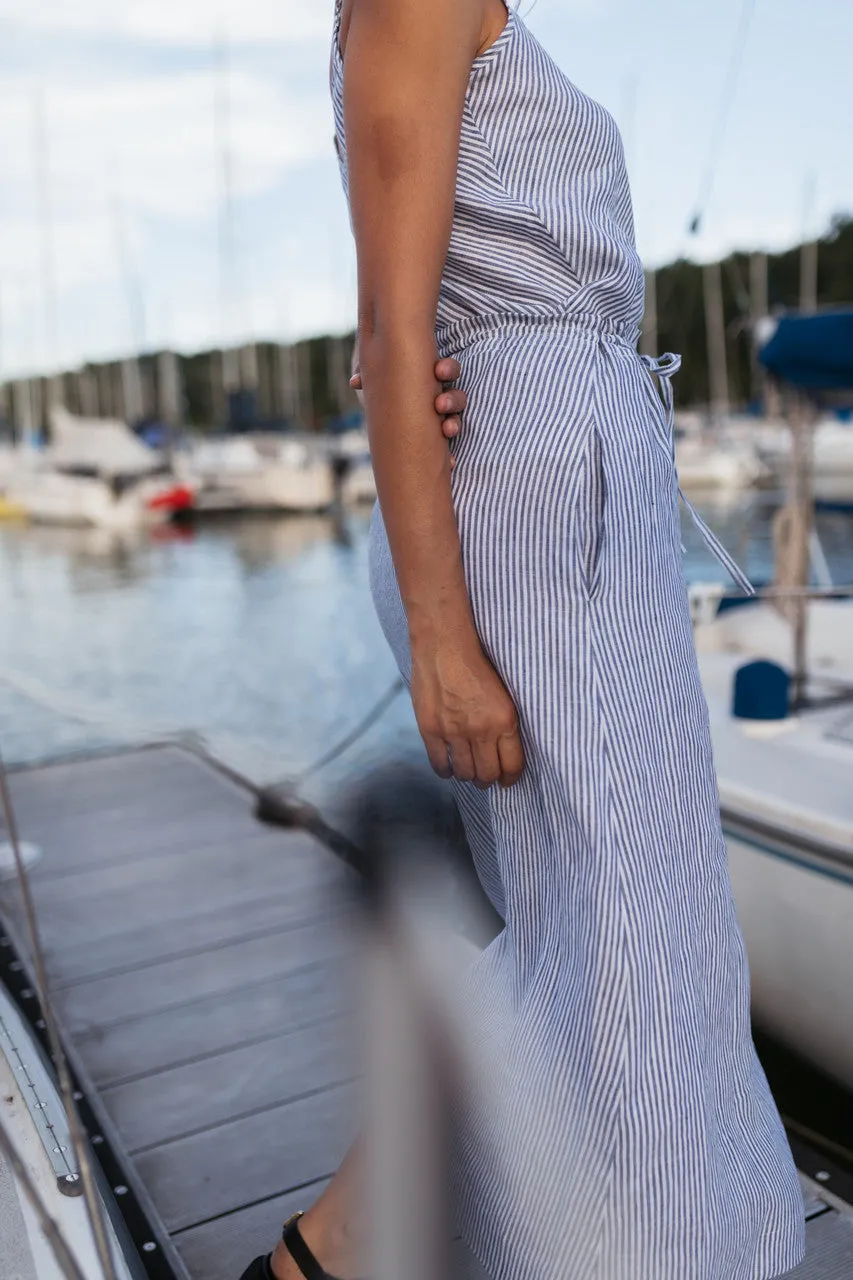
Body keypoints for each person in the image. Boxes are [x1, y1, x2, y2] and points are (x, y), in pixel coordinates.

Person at [240, 1, 807, 1277]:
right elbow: (393, 320)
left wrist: (424, 343)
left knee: (600, 940)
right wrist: (441, 635)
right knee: (628, 954)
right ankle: (338, 1248)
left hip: (565, 490)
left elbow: (414, 294)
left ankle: (338, 1249)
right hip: (542, 513)